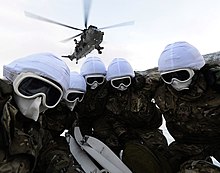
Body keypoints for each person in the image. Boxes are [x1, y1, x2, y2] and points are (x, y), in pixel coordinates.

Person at [154, 41, 220, 172]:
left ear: (196, 70)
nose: (175, 81)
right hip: (188, 144)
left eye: (182, 75)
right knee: (164, 164)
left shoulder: (215, 86)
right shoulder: (162, 91)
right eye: (168, 77)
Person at [0, 53, 70, 172]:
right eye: (32, 87)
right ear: (14, 80)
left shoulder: (35, 126)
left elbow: (47, 149)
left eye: (50, 96)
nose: (38, 101)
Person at [100, 57, 172, 173]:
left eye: (125, 81)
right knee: (135, 156)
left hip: (150, 130)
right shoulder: (110, 99)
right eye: (117, 83)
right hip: (130, 132)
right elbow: (113, 119)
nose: (122, 86)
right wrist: (123, 133)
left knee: (162, 155)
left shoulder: (143, 88)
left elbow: (164, 76)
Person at [34, 71, 86, 173]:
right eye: (72, 96)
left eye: (79, 96)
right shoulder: (45, 108)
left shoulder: (70, 113)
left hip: (52, 145)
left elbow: (75, 128)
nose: (75, 101)